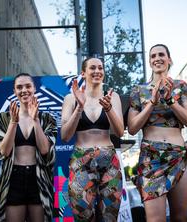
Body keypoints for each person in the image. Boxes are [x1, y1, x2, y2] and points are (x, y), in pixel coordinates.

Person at [128, 44, 187, 222]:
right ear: (150, 62)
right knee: (155, 219)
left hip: (178, 156)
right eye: (153, 56)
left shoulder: (181, 86)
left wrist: (170, 100)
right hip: (152, 158)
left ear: (169, 59)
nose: (157, 58)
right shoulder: (139, 90)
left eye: (161, 54)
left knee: (181, 218)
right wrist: (152, 102)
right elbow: (133, 128)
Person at [61, 57, 124, 221]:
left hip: (109, 162)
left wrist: (108, 108)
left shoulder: (113, 96)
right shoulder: (70, 99)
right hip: (81, 163)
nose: (97, 71)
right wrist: (79, 108)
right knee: (83, 217)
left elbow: (119, 132)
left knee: (109, 216)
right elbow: (65, 136)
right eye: (92, 68)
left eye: (100, 68)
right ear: (83, 72)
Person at [0, 73, 57, 221]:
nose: (24, 90)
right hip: (14, 178)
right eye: (19, 87)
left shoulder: (47, 119)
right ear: (14, 91)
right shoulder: (4, 118)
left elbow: (45, 150)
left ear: (34, 88)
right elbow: (4, 152)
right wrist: (13, 123)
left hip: (38, 179)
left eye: (28, 86)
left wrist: (36, 120)